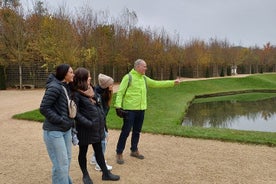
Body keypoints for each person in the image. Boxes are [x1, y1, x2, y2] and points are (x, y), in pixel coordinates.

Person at [115, 59, 180, 164]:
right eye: (144, 66)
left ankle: (134, 150)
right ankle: (119, 153)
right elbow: (120, 93)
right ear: (138, 67)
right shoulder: (128, 77)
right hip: (130, 110)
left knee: (137, 131)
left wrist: (172, 82)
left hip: (141, 109)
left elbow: (156, 84)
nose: (146, 68)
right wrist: (118, 107)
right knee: (125, 131)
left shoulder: (144, 78)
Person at [72, 67, 120, 183]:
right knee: (82, 152)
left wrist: (101, 124)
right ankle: (85, 175)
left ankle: (106, 173)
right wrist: (88, 123)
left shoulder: (91, 89)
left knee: (99, 151)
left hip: (96, 128)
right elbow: (75, 113)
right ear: (82, 78)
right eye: (88, 76)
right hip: (85, 129)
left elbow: (98, 105)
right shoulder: (76, 94)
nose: (90, 78)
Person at [40, 64, 75, 184]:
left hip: (66, 129)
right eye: (71, 72)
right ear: (64, 74)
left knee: (65, 161)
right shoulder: (55, 87)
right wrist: (60, 120)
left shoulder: (66, 86)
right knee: (62, 163)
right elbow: (44, 108)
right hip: (54, 131)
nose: (73, 74)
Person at [90, 73, 114, 171]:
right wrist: (104, 128)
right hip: (97, 122)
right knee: (103, 141)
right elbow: (100, 114)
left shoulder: (105, 94)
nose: (112, 86)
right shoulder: (99, 96)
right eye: (111, 84)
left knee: (104, 139)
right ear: (106, 86)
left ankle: (94, 158)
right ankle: (99, 163)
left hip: (101, 122)